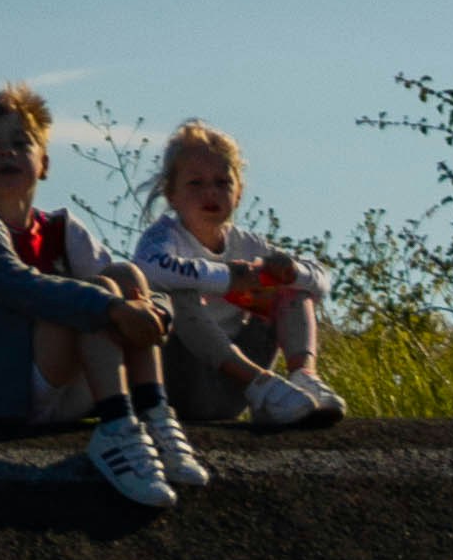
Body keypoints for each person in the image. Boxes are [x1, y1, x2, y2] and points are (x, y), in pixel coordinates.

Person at [0, 85, 209, 512]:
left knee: (123, 275)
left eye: (21, 144)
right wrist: (115, 309)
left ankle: (153, 413)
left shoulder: (61, 228)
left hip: (63, 390)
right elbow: (29, 288)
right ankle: (116, 427)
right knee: (91, 297)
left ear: (44, 164)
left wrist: (155, 312)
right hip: (5, 398)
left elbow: (128, 290)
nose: (7, 153)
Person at [130, 126, 345, 431]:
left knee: (292, 288)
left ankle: (304, 379)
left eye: (222, 183)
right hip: (181, 383)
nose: (211, 193)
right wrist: (231, 277)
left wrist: (290, 272)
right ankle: (264, 385)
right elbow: (150, 269)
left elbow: (321, 280)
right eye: (195, 183)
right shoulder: (163, 237)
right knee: (179, 292)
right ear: (171, 194)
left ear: (239, 191)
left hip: (233, 391)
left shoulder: (248, 244)